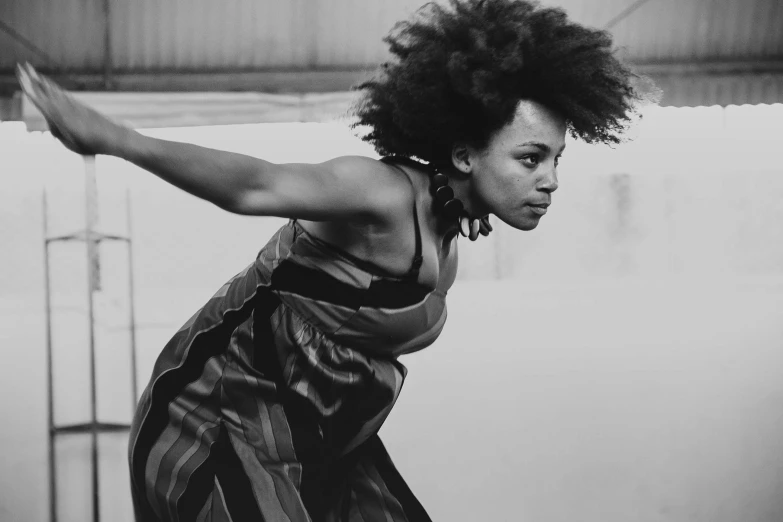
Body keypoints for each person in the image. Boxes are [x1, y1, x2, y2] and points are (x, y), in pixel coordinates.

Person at [17, 0, 643, 520]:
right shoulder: (381, 195)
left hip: (317, 438)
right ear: (463, 154)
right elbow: (255, 186)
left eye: (558, 159)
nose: (551, 180)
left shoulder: (447, 222)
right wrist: (116, 138)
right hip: (218, 418)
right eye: (531, 159)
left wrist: (470, 200)